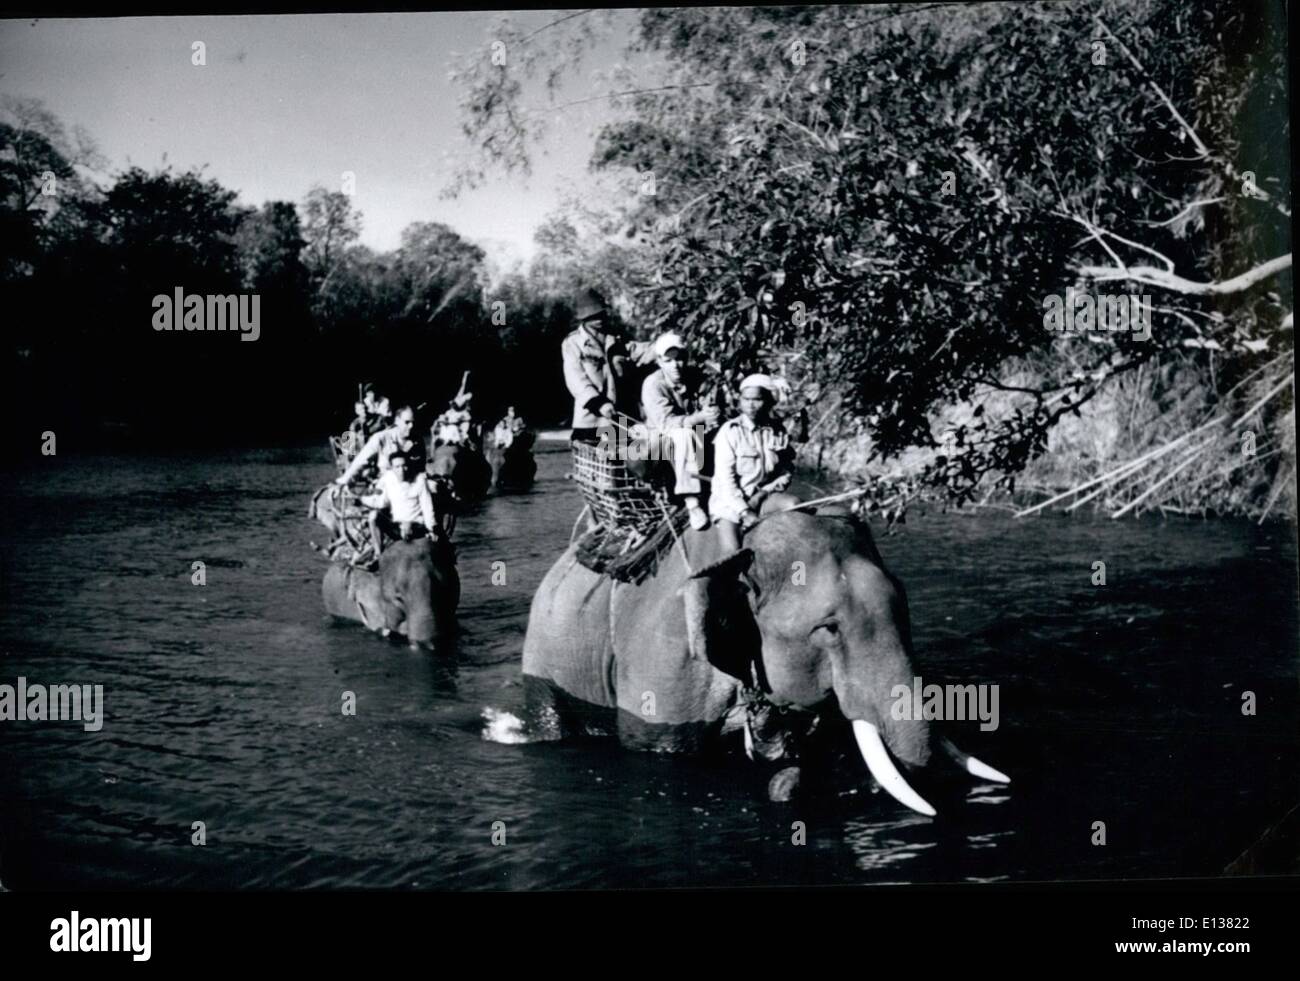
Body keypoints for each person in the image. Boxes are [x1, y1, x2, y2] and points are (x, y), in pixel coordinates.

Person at [641, 332, 720, 530]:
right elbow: (667, 424)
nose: (675, 366)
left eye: (679, 359)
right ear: (659, 361)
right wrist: (700, 417)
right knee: (682, 434)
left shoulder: (695, 377)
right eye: (668, 360)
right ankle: (692, 501)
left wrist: (713, 412)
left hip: (694, 435)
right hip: (659, 442)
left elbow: (708, 403)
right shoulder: (653, 384)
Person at [710, 374, 796, 552]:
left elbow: (786, 470)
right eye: (746, 399)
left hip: (764, 496)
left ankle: (800, 575)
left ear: (768, 402)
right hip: (731, 504)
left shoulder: (777, 431)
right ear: (739, 401)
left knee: (795, 506)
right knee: (732, 554)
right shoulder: (730, 432)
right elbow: (726, 480)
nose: (751, 405)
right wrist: (744, 511)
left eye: (757, 399)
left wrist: (765, 492)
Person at [561, 287, 653, 445]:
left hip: (621, 416)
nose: (599, 318)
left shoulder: (616, 339)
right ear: (584, 318)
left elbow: (639, 351)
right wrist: (599, 403)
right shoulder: (573, 343)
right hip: (592, 421)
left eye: (601, 313)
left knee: (627, 462)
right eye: (593, 315)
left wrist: (661, 345)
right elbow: (576, 380)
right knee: (598, 466)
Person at [359, 449, 438, 558]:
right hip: (397, 525)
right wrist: (362, 500)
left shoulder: (419, 480)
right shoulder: (388, 479)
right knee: (373, 518)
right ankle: (378, 554)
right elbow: (382, 502)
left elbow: (427, 506)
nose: (402, 470)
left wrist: (431, 529)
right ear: (391, 468)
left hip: (416, 525)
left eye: (404, 466)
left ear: (409, 466)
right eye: (397, 467)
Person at [335, 404, 420, 487]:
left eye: (413, 422)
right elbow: (359, 459)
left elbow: (420, 467)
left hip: (411, 484)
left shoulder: (417, 440)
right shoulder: (356, 426)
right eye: (407, 422)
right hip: (386, 482)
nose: (411, 426)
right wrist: (345, 480)